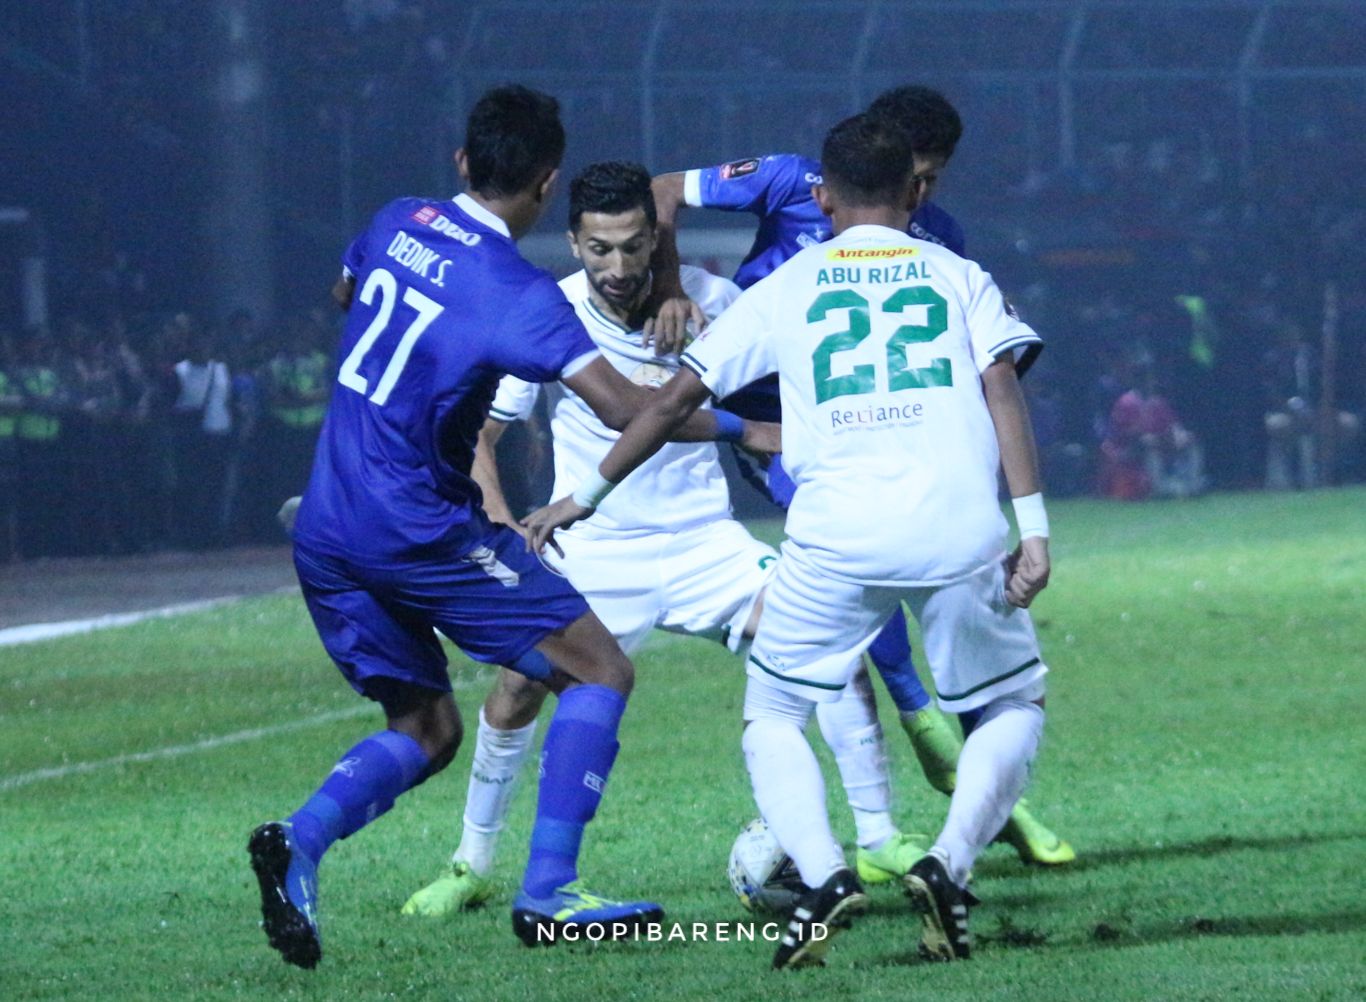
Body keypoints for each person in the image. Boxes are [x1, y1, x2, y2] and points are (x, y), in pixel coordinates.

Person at [247, 86, 776, 969]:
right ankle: (551, 894)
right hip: (418, 527)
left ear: (463, 162)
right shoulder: (519, 295)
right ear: (547, 181)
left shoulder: (393, 218)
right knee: (600, 670)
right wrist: (742, 427)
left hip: (328, 523)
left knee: (428, 729)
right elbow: (627, 413)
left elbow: (347, 291)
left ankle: (297, 844)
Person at [524, 113, 1055, 969]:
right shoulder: (960, 275)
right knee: (1010, 706)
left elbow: (660, 404)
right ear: (914, 191)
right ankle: (948, 864)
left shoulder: (790, 286)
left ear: (824, 195)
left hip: (837, 533)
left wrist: (581, 495)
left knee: (774, 714)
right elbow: (1003, 389)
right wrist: (1032, 528)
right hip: (957, 525)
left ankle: (823, 874)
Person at [401, 161, 927, 920]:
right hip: (593, 543)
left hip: (703, 542)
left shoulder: (715, 302)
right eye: (598, 249)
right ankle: (471, 862)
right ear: (573, 242)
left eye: (634, 247)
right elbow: (484, 430)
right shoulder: (547, 312)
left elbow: (809, 385)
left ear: (658, 239)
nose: (617, 268)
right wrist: (502, 522)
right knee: (516, 688)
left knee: (830, 644)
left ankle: (876, 836)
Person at [646, 84, 1071, 867]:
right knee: (866, 590)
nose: (925, 194)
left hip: (870, 443)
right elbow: (663, 189)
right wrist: (670, 284)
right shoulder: (785, 179)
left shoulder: (938, 239)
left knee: (865, 597)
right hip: (780, 431)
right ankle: (911, 776)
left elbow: (983, 367)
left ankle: (924, 803)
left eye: (935, 179)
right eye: (920, 177)